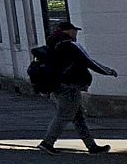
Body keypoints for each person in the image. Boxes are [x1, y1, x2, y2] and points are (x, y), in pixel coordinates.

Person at [40, 21, 118, 154]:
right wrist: (108, 71)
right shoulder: (71, 46)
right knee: (64, 115)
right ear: (68, 31)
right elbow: (89, 61)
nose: (75, 33)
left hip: (58, 86)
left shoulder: (53, 45)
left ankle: (92, 146)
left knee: (78, 117)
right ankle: (47, 142)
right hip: (70, 87)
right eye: (74, 30)